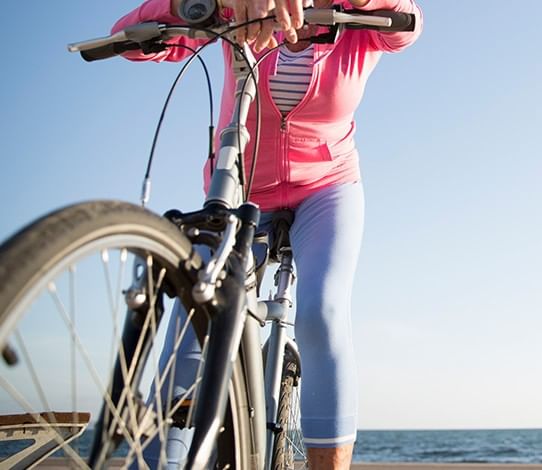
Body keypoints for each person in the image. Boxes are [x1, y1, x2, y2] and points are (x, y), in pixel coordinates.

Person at [108, 0, 422, 468]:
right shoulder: (244, 10)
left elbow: (407, 23)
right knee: (195, 316)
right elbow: (130, 38)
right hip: (241, 185)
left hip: (328, 187)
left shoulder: (359, 24)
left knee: (321, 311)